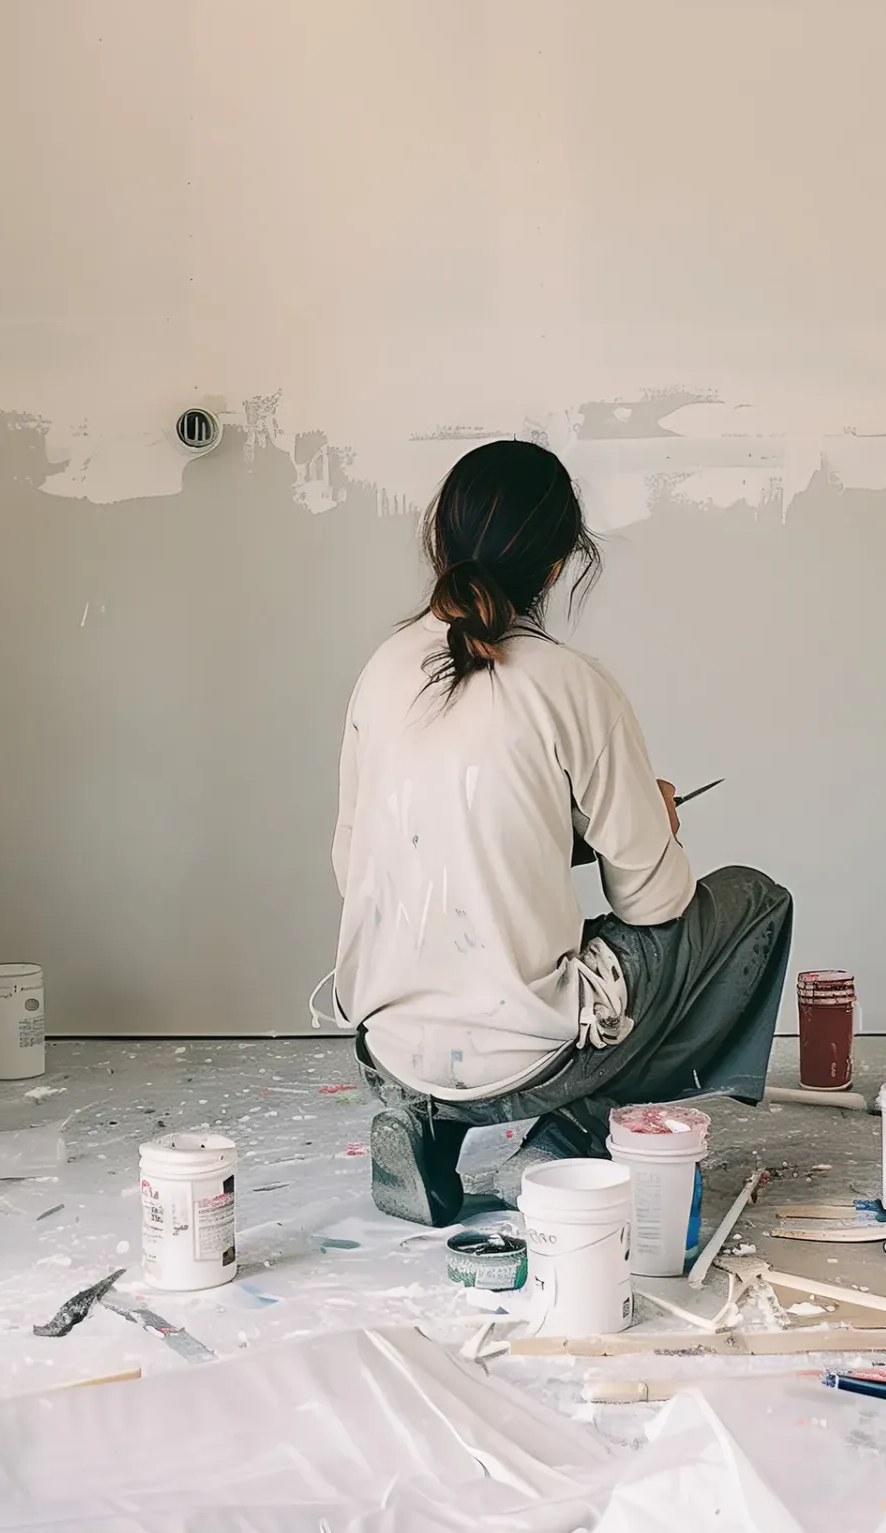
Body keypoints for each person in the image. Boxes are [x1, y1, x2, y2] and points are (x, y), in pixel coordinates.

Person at [329, 438, 794, 1226]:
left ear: (439, 542)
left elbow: (359, 867)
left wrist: (559, 838)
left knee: (487, 968)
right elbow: (656, 904)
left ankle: (420, 1123)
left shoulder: (381, 671)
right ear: (558, 566)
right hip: (532, 1059)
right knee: (755, 900)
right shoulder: (570, 684)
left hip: (389, 1052)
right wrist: (656, 823)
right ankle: (573, 1130)